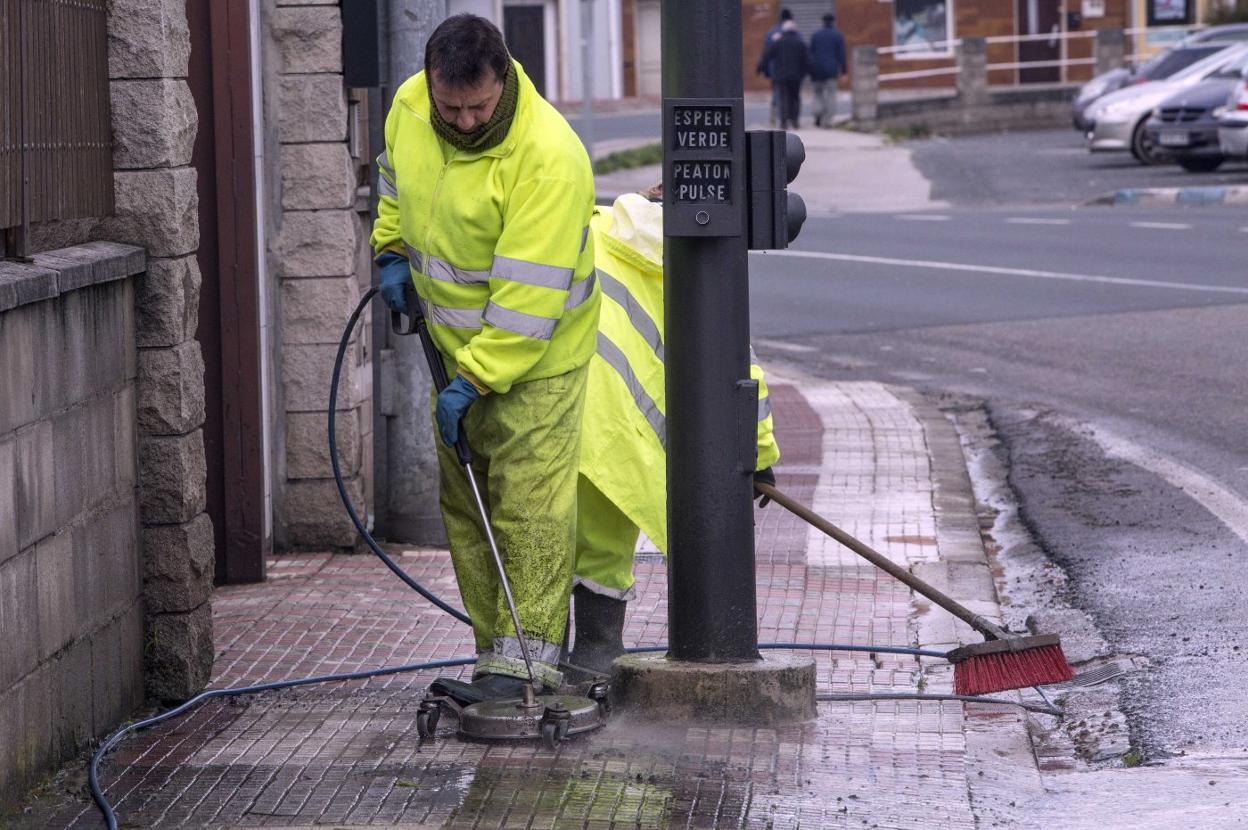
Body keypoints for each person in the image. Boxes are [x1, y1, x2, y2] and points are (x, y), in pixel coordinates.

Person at [370, 14, 601, 700]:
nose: (465, 122)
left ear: (504, 78)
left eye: (478, 107)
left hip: (538, 363)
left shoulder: (548, 157)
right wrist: (389, 251)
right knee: (468, 508)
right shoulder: (411, 105)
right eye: (452, 108)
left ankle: (525, 663)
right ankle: (492, 654)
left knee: (528, 513)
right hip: (453, 352)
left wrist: (472, 381)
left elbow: (528, 306)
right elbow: (394, 181)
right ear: (430, 84)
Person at [566, 188, 781, 679]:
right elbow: (741, 375)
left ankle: (538, 659)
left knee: (545, 535)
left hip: (553, 409)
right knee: (602, 548)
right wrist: (759, 455)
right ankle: (595, 657)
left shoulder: (594, 227)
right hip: (619, 437)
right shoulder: (700, 264)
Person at [758, 18, 810, 130]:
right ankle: (795, 121)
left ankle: (783, 122)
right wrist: (804, 73)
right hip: (796, 77)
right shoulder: (800, 42)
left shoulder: (778, 42)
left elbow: (767, 56)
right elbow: (807, 60)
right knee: (795, 98)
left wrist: (761, 68)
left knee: (783, 99)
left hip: (780, 76)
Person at [757, 8, 794, 127]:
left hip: (775, 70)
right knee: (789, 94)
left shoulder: (772, 32)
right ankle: (787, 117)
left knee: (777, 93)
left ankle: (774, 116)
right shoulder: (793, 32)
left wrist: (764, 69)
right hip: (791, 70)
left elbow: (766, 52)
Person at [809, 13, 847, 128]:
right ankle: (828, 120)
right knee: (831, 94)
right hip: (831, 70)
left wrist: (810, 69)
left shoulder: (815, 35)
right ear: (833, 22)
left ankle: (817, 115)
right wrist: (844, 72)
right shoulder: (838, 36)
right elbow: (841, 55)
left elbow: (810, 53)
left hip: (816, 70)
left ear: (823, 22)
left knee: (817, 93)